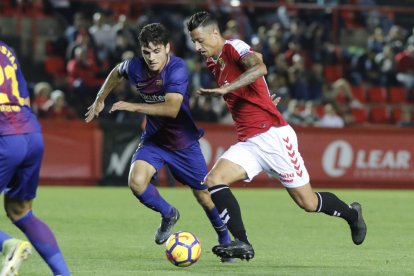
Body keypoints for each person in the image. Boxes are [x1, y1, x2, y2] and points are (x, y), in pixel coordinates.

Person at [186, 11, 367, 261]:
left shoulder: (233, 47)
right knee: (214, 180)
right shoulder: (212, 63)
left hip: (273, 137)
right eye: (194, 42)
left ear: (215, 34)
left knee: (308, 203)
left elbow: (260, 66)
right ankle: (243, 243)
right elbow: (253, 80)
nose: (197, 47)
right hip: (249, 142)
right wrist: (263, 98)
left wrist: (227, 88)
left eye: (200, 40)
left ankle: (352, 214)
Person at [85, 23, 231, 251]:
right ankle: (169, 214)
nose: (151, 58)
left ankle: (225, 239)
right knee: (136, 182)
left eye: (157, 51)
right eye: (146, 52)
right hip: (154, 140)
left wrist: (133, 107)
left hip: (183, 142)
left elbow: (172, 108)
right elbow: (116, 72)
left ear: (167, 48)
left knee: (203, 195)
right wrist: (99, 98)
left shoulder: (178, 68)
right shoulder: (134, 66)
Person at [0, 41, 70, 275]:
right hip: (30, 132)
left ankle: (9, 246)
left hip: (4, 136)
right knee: (20, 210)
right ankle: (63, 274)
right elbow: (25, 98)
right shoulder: (6, 49)